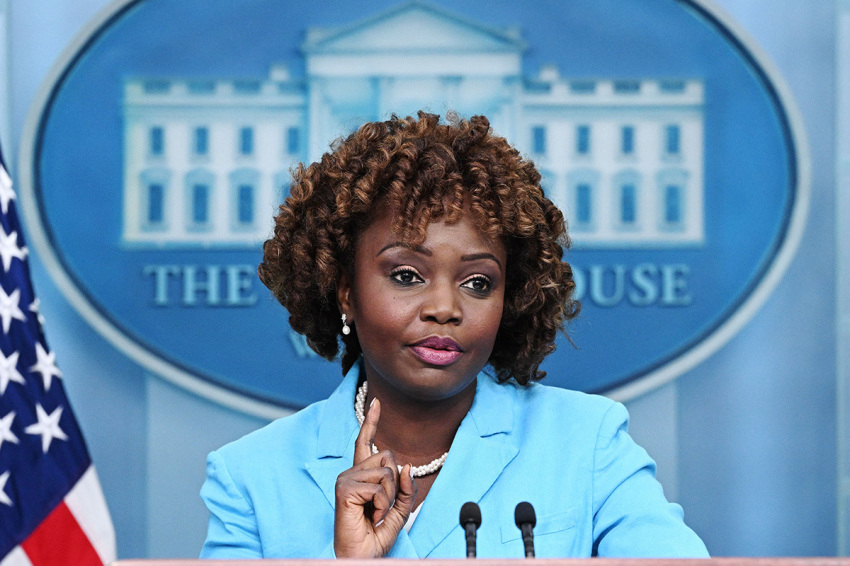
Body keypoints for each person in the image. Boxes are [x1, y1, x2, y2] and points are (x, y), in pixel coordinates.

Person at [199, 112, 709, 559]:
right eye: (406, 275)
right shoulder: (249, 476)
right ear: (345, 291)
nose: (445, 307)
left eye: (477, 282)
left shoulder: (587, 441)